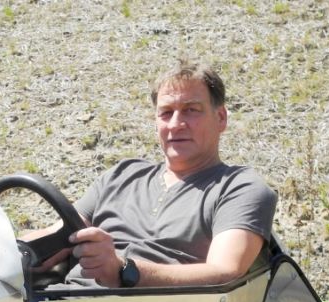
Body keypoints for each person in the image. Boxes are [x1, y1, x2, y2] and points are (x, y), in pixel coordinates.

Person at [44, 61, 276, 289]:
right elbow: (58, 236)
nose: (176, 124)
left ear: (221, 118)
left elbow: (226, 272)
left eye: (191, 110)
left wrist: (125, 271)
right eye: (166, 113)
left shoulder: (239, 187)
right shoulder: (121, 176)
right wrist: (17, 250)